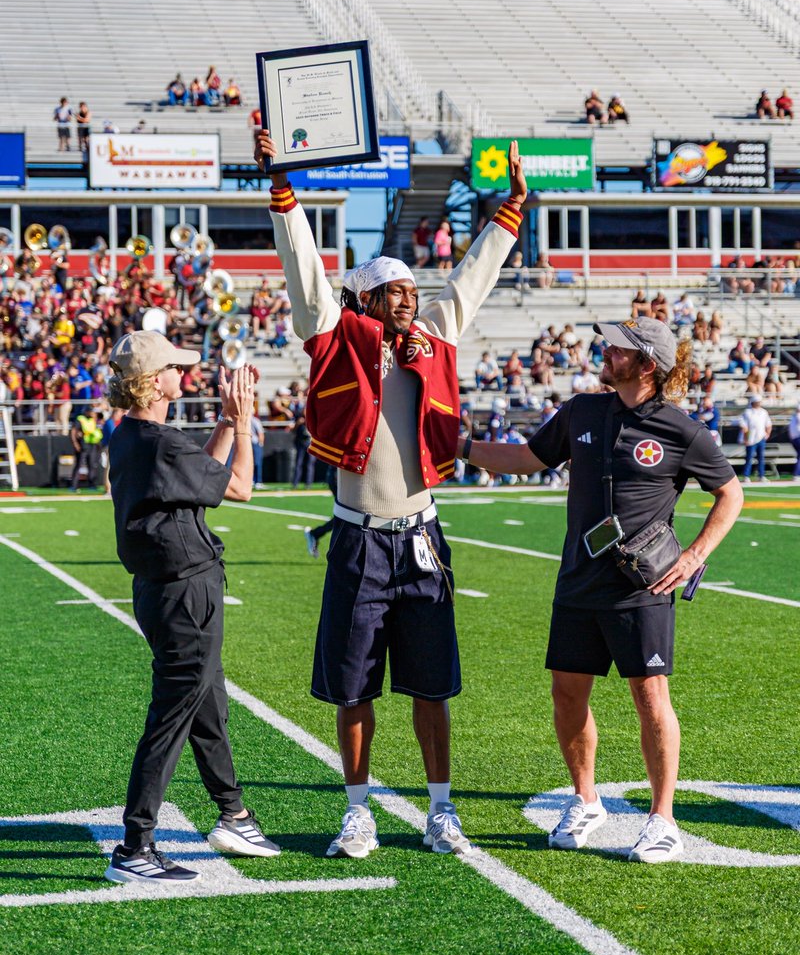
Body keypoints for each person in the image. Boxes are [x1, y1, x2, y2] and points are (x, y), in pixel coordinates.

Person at [255, 128, 528, 860]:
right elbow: (302, 267)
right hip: (356, 537)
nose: (410, 298)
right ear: (365, 297)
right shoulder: (333, 332)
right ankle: (357, 810)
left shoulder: (434, 338)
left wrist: (505, 217)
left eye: (412, 287)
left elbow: (470, 279)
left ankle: (441, 810)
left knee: (432, 686)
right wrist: (282, 189)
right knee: (354, 688)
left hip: (422, 538)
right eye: (394, 290)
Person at [459, 316, 743, 863]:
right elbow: (526, 459)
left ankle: (663, 819)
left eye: (616, 349)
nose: (604, 352)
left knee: (650, 698)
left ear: (646, 364)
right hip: (577, 582)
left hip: (643, 585)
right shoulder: (583, 410)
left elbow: (729, 494)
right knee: (567, 694)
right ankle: (586, 799)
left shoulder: (682, 429)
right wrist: (461, 445)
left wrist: (693, 557)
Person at [105, 331, 280, 883]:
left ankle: (234, 813)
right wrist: (243, 419)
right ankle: (136, 845)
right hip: (185, 592)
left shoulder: (133, 435)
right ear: (154, 381)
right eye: (176, 367)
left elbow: (201, 474)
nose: (185, 373)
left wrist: (227, 424)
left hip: (162, 590)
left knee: (208, 708)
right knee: (174, 716)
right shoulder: (159, 441)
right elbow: (243, 487)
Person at [740, 394, 772, 483]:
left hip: (761, 437)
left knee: (761, 457)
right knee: (749, 457)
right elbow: (744, 426)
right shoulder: (747, 412)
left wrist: (767, 434)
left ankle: (761, 475)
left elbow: (768, 424)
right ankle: (746, 475)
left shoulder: (764, 412)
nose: (758, 403)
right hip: (751, 438)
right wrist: (746, 438)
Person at [788, 402, 800, 482]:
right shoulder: (797, 416)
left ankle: (796, 474)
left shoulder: (793, 417)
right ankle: (796, 474)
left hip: (794, 439)